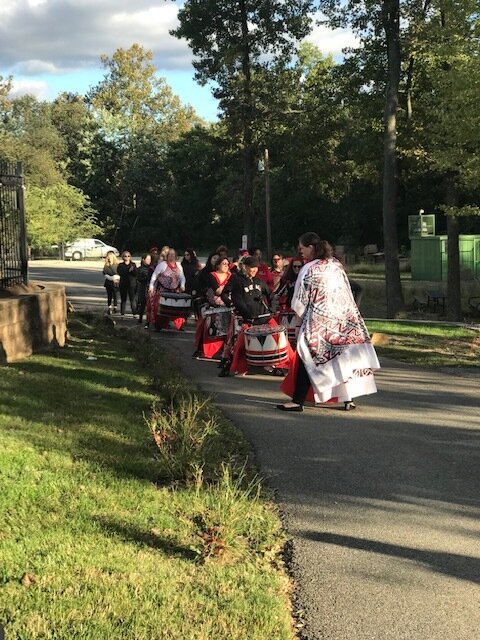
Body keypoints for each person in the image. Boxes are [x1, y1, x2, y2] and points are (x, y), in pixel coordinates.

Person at [277, 232, 380, 412]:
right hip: (345, 321)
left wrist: (298, 324)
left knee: (306, 357)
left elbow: (300, 300)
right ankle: (348, 399)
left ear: (311, 247)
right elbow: (348, 290)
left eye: (301, 248)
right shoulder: (335, 265)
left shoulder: (309, 269)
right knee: (344, 360)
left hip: (319, 322)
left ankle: (298, 401)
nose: (300, 252)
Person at [193, 256, 232, 359]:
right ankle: (201, 349)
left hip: (228, 304)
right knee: (205, 324)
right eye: (224, 264)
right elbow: (217, 291)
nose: (226, 266)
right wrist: (227, 287)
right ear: (218, 265)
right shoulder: (212, 276)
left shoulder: (231, 276)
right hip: (213, 304)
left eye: (227, 264)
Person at [148, 248, 187, 331]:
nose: (172, 256)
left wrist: (182, 285)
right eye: (170, 254)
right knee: (160, 309)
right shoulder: (162, 265)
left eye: (173, 254)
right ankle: (158, 325)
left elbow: (182, 277)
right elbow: (154, 276)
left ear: (176, 256)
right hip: (162, 291)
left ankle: (179, 325)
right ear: (167, 256)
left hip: (174, 290)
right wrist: (151, 287)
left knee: (177, 309)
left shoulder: (179, 265)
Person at [117, 251, 137, 316]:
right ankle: (122, 314)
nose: (127, 257)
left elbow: (136, 274)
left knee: (132, 299)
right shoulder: (120, 265)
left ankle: (134, 313)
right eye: (125, 256)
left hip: (132, 284)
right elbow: (121, 273)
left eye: (128, 256)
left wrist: (132, 270)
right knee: (123, 300)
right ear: (123, 257)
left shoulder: (133, 264)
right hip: (123, 284)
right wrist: (128, 270)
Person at [136, 253, 152, 327]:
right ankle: (140, 318)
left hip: (149, 288)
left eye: (150, 259)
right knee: (142, 304)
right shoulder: (139, 269)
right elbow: (139, 278)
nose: (149, 261)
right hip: (142, 287)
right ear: (143, 260)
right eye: (147, 259)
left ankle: (148, 321)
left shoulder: (151, 269)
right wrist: (146, 278)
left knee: (149, 305)